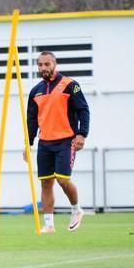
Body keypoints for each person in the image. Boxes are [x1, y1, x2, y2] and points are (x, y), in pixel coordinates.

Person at [24, 51, 90, 233]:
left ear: (55, 64)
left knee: (62, 179)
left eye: (47, 64)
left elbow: (83, 110)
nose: (43, 68)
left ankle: (77, 210)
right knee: (46, 182)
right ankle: (49, 224)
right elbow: (31, 120)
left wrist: (82, 134)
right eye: (40, 65)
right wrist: (28, 144)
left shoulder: (70, 85)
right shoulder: (35, 91)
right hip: (44, 142)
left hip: (66, 141)